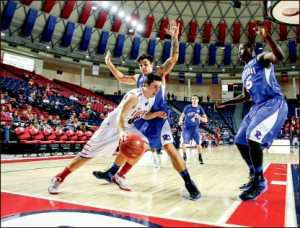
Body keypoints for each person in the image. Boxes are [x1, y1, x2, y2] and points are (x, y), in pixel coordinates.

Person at [95, 20, 201, 200]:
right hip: (144, 118)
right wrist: (108, 63)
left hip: (160, 118)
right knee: (130, 144)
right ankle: (112, 172)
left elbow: (173, 60)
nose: (143, 67)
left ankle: (189, 183)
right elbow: (121, 78)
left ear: (152, 64)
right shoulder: (138, 78)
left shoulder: (159, 74)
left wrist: (175, 39)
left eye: (145, 64)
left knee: (169, 149)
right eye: (141, 65)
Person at [48, 74, 163, 194]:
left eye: (159, 87)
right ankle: (59, 178)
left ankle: (120, 176)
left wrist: (156, 114)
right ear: (146, 85)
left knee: (142, 145)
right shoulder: (134, 96)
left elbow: (143, 114)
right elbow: (120, 116)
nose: (157, 90)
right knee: (85, 156)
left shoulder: (152, 97)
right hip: (112, 125)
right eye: (155, 87)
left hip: (129, 126)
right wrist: (122, 132)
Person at [214, 21, 288, 201]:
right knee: (240, 140)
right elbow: (246, 96)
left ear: (251, 50)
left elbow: (279, 57)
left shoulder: (261, 59)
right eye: (238, 50)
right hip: (256, 106)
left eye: (242, 48)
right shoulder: (245, 71)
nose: (239, 51)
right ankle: (253, 174)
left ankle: (260, 181)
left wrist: (267, 36)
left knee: (253, 137)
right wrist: (226, 103)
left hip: (272, 103)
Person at [178, 95, 208, 163]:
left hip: (195, 128)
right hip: (186, 128)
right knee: (183, 142)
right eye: (192, 98)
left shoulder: (200, 108)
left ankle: (200, 157)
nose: (194, 100)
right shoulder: (187, 107)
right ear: (191, 100)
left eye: (195, 98)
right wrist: (180, 121)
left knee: (198, 143)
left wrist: (199, 117)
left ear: (198, 100)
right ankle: (184, 155)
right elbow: (182, 116)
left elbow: (206, 120)